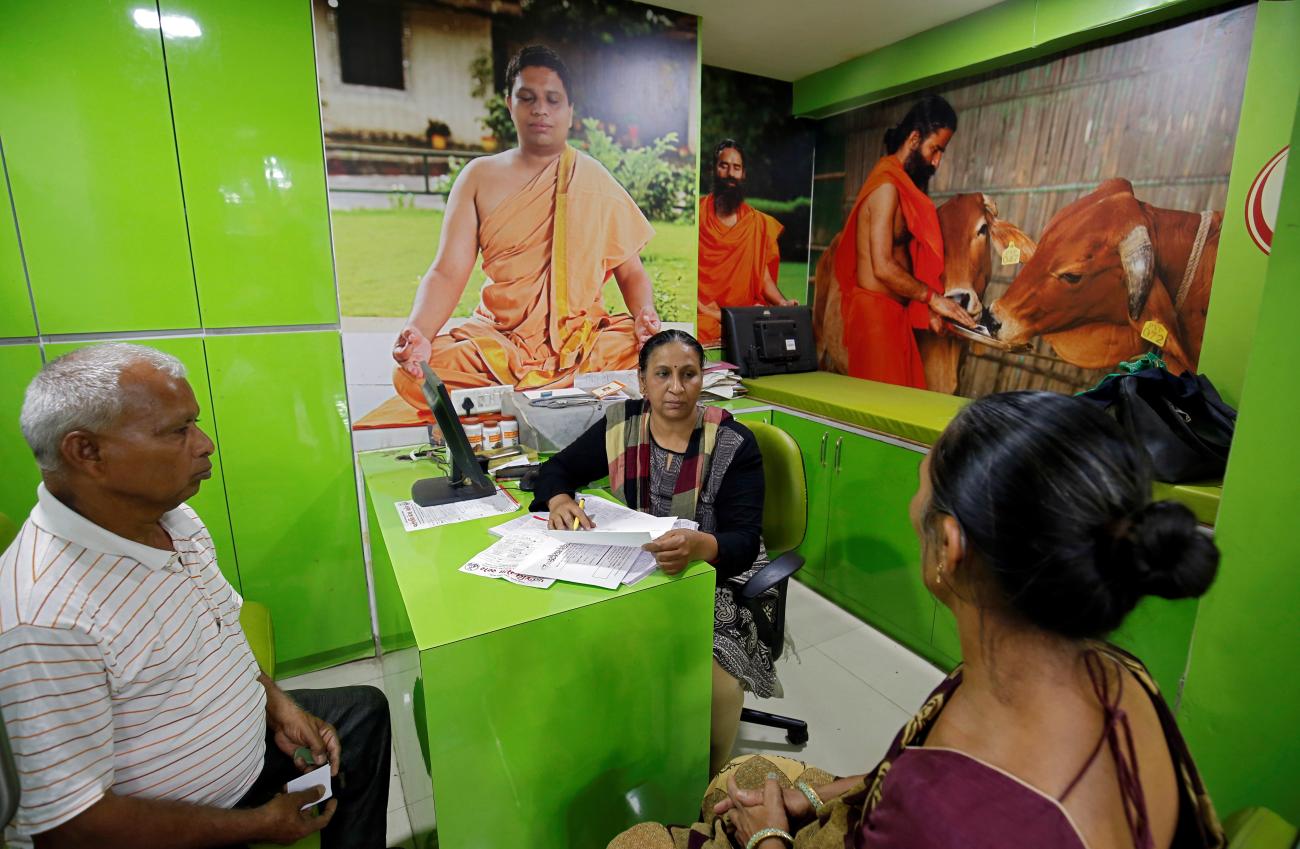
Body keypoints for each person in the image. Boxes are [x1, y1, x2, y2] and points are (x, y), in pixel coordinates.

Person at [610, 391, 1224, 849]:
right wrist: (811, 797)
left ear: (950, 547)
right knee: (742, 778)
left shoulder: (945, 812)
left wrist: (771, 835)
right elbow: (895, 776)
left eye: (921, 488)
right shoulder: (1116, 673)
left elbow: (922, 798)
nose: (912, 509)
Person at [1, 344, 391, 849]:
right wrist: (262, 824)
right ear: (87, 452)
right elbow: (72, 827)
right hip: (171, 820)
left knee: (361, 714)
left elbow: (224, 630)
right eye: (177, 431)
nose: (205, 444)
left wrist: (278, 704)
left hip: (248, 749)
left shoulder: (170, 518)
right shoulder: (43, 621)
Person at [530, 329, 776, 777]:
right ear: (643, 381)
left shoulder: (732, 443)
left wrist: (703, 544)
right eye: (662, 374)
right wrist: (560, 499)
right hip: (639, 567)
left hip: (717, 573)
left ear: (704, 379)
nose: (676, 388)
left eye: (689, 374)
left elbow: (744, 539)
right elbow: (556, 470)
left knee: (715, 681)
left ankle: (706, 779)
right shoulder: (620, 424)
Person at [391, 44, 661, 405]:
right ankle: (566, 396)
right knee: (416, 375)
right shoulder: (479, 177)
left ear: (569, 111)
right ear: (509, 105)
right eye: (528, 98)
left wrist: (644, 318)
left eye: (553, 100)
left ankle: (515, 401)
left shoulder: (593, 177)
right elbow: (447, 272)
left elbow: (631, 273)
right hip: (500, 341)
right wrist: (420, 334)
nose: (540, 110)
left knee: (656, 353)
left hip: (582, 344)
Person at [831, 95, 976, 388]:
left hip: (895, 317)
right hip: (875, 320)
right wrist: (933, 299)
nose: (936, 162)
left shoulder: (900, 185)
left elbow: (904, 259)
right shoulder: (885, 187)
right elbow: (883, 267)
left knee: (903, 411)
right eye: (935, 150)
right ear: (914, 138)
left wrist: (928, 311)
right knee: (884, 420)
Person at [697, 140, 795, 346]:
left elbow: (763, 278)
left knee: (760, 318)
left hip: (741, 310)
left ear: (743, 174)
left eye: (737, 167)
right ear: (713, 170)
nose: (731, 173)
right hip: (704, 310)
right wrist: (708, 311)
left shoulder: (756, 222)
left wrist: (782, 302)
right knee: (703, 327)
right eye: (724, 166)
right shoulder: (696, 215)